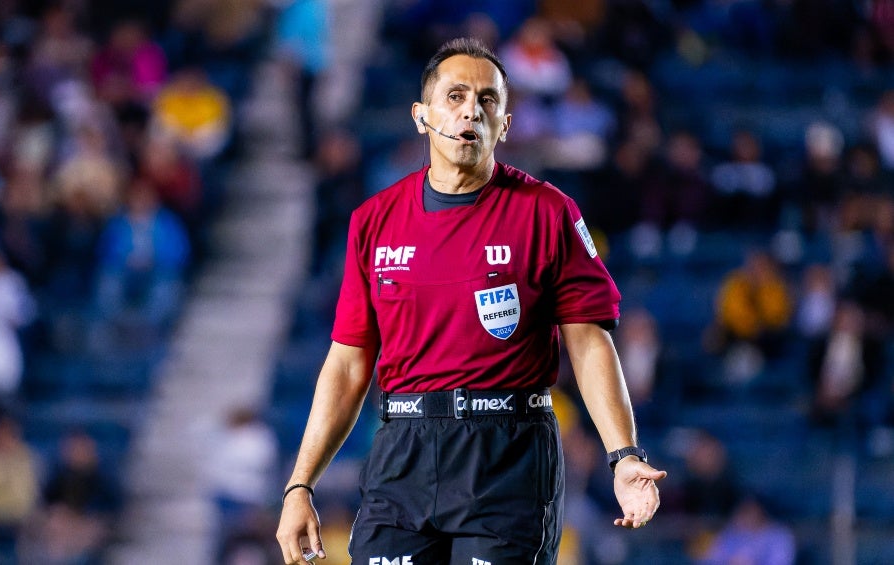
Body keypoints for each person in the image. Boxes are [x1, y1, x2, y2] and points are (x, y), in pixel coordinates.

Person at [276, 38, 666, 565]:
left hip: (508, 456)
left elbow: (589, 343)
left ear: (504, 125)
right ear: (421, 116)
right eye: (455, 96)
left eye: (487, 100)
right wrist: (300, 485)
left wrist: (623, 455)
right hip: (401, 454)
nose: (471, 111)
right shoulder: (373, 221)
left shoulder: (548, 212)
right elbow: (347, 365)